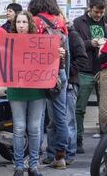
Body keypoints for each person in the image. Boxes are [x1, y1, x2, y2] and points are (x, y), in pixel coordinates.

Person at [28, 0, 68, 169]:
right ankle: (60, 156)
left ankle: (36, 156)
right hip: (59, 72)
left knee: (38, 116)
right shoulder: (60, 21)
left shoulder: (35, 21)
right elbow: (66, 48)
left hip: (39, 73)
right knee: (60, 116)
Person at [5, 11, 48, 176]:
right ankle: (19, 166)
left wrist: (60, 56)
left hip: (37, 90)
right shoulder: (8, 42)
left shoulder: (40, 42)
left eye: (24, 22)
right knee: (19, 128)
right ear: (14, 24)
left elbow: (49, 62)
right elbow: (2, 61)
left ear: (29, 24)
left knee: (35, 128)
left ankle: (34, 166)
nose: (21, 25)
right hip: (16, 91)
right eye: (18, 22)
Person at [44, 17, 87, 166]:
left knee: (67, 121)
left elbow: (82, 59)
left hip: (68, 84)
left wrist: (67, 75)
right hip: (53, 83)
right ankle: (52, 153)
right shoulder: (50, 35)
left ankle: (69, 154)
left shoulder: (73, 36)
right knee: (53, 122)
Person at [73, 0, 107, 153]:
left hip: (104, 69)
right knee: (80, 107)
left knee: (104, 108)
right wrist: (90, 43)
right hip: (85, 70)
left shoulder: (105, 21)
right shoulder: (79, 22)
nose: (99, 15)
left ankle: (104, 141)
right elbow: (75, 44)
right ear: (89, 7)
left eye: (102, 12)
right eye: (96, 12)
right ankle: (78, 140)